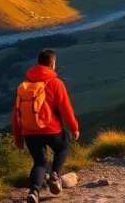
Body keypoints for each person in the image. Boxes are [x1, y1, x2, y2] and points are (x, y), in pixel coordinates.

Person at [12, 49, 80, 203]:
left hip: (29, 131)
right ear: (52, 63)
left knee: (40, 162)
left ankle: (34, 191)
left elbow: (16, 112)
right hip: (52, 129)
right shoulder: (56, 83)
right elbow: (65, 108)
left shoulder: (24, 86)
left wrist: (17, 136)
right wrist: (74, 127)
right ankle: (55, 175)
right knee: (62, 148)